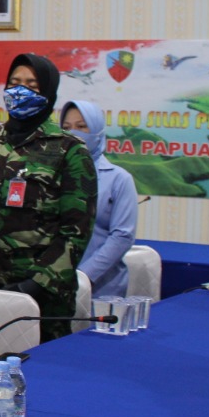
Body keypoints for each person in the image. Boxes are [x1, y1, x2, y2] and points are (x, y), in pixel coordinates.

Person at [0, 53, 96, 342]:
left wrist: (33, 286)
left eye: (31, 85)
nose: (19, 91)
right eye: (14, 83)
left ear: (48, 93)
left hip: (41, 298)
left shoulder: (69, 151)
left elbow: (75, 232)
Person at [61, 100, 138, 299]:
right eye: (66, 128)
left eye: (81, 126)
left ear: (96, 130)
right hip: (53, 285)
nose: (73, 134)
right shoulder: (51, 175)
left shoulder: (118, 179)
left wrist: (83, 276)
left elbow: (122, 236)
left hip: (101, 289)